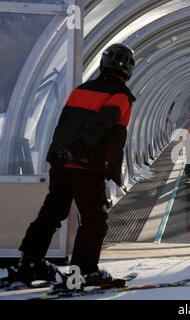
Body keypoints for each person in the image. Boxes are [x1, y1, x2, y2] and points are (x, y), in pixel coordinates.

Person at [6, 44, 136, 287]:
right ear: (129, 70)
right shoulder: (120, 95)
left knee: (52, 211)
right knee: (94, 219)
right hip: (86, 164)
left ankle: (29, 262)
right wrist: (78, 152)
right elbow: (100, 125)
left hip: (62, 163)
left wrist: (61, 155)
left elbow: (64, 124)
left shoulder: (80, 90)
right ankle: (82, 273)